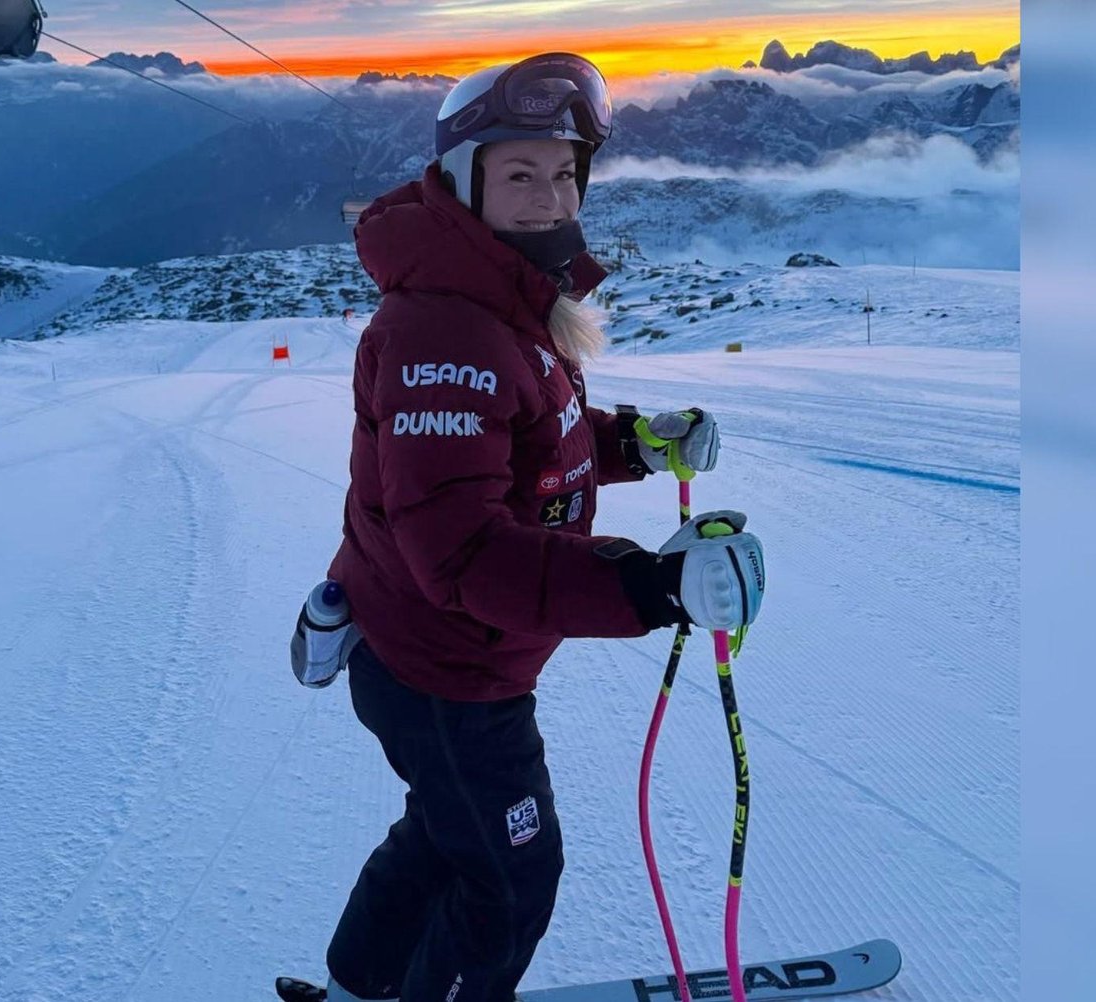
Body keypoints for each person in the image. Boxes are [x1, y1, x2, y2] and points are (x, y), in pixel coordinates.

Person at [319, 53, 766, 1002]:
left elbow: (535, 443)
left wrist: (636, 445)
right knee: (512, 875)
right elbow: (464, 552)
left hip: (432, 654)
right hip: (448, 669)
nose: (547, 197)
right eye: (519, 173)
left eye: (564, 173)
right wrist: (654, 585)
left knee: (447, 831)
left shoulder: (500, 294)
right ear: (463, 179)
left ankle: (363, 985)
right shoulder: (447, 332)